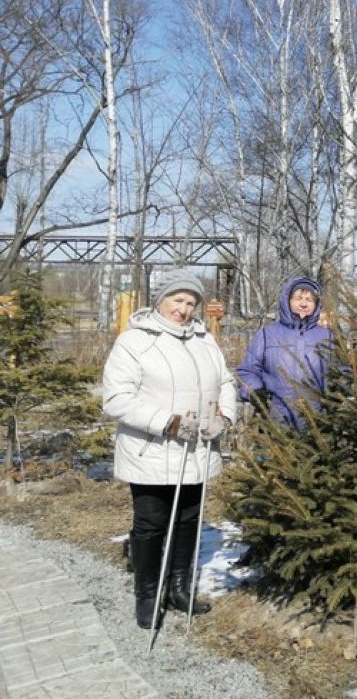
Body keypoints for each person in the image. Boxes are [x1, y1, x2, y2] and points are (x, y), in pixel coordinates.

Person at [102, 269, 236, 629]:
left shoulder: (205, 341)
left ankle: (178, 586)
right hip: (152, 450)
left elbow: (225, 382)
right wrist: (169, 421)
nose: (185, 309)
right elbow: (116, 399)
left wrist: (224, 417)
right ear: (160, 300)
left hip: (197, 450)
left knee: (188, 520)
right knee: (150, 524)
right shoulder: (134, 342)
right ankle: (148, 593)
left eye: (191, 303)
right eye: (178, 300)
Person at [235, 276, 332, 430]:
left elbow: (343, 373)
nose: (304, 303)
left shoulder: (327, 337)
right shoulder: (268, 334)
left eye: (309, 299)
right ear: (287, 301)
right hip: (275, 420)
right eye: (299, 298)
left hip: (319, 423)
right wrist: (255, 392)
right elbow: (247, 371)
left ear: (316, 305)